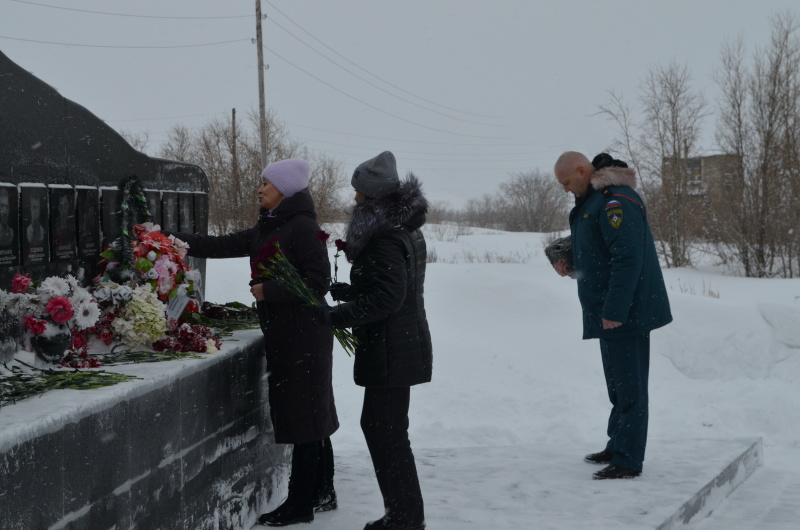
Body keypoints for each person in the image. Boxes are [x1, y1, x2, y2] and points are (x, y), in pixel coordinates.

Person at [166, 159, 339, 526]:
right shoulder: (271, 225)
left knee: (305, 420)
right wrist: (180, 242)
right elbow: (230, 243)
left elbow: (318, 282)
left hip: (304, 336)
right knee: (312, 415)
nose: (259, 188)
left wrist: (269, 291)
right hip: (289, 334)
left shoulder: (303, 228)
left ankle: (300, 504)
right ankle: (322, 490)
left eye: (266, 183)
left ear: (285, 191)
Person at [318, 151, 432, 530]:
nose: (354, 200)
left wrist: (333, 317)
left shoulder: (384, 237)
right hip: (402, 344)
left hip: (391, 349)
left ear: (374, 198)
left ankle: (404, 517)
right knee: (386, 429)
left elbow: (387, 299)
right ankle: (403, 514)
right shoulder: (405, 228)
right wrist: (352, 291)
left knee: (386, 432)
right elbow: (393, 287)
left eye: (359, 194)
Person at [552, 151, 672, 480]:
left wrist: (615, 310)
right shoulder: (593, 202)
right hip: (607, 311)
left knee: (630, 389)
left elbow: (627, 258)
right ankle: (617, 445)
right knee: (618, 387)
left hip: (625, 313)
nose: (564, 189)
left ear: (580, 170)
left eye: (566, 182)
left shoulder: (616, 200)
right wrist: (571, 262)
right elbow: (600, 250)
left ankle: (628, 459)